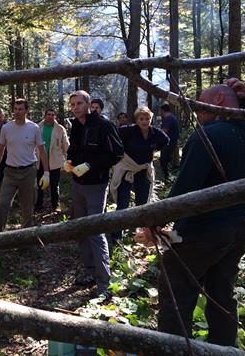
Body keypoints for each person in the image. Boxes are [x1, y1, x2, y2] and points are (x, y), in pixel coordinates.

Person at [135, 79, 245, 346]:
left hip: (206, 230)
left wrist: (154, 222)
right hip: (242, 225)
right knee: (222, 292)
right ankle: (225, 348)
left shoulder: (207, 136)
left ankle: (172, 349)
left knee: (176, 289)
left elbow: (185, 188)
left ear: (218, 100)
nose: (196, 111)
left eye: (200, 103)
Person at [65, 91, 123, 297]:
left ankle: (104, 283)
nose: (76, 107)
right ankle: (89, 271)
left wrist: (91, 165)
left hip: (97, 185)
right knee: (81, 228)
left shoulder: (103, 125)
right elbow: (74, 148)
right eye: (72, 104)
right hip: (78, 183)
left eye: (79, 103)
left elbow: (117, 153)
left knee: (96, 230)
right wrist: (70, 160)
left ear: (89, 105)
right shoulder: (76, 126)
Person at [109, 106, 169, 240]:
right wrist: (118, 152)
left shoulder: (155, 133)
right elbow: (112, 134)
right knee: (123, 202)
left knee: (142, 204)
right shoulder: (129, 130)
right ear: (137, 120)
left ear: (151, 119)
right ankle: (116, 235)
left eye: (147, 118)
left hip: (143, 170)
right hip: (126, 169)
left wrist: (154, 149)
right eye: (141, 119)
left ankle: (140, 232)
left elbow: (166, 140)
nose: (145, 121)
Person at [0, 99, 50, 232]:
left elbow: (42, 150)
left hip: (28, 172)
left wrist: (46, 172)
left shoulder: (34, 128)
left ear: (26, 110)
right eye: (16, 109)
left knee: (28, 207)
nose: (17, 112)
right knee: (1, 204)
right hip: (10, 172)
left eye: (21, 109)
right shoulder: (6, 128)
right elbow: (0, 151)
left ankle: (26, 237)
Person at [35, 108, 69, 213]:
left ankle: (55, 205)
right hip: (40, 161)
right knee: (40, 185)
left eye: (52, 114)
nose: (50, 116)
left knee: (54, 186)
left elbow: (65, 145)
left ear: (55, 117)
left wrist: (68, 159)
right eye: (48, 114)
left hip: (55, 162)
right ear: (44, 116)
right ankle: (38, 205)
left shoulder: (60, 129)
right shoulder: (38, 127)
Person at [159, 104, 180, 179]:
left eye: (160, 110)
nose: (159, 112)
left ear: (162, 110)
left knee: (163, 159)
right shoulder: (171, 117)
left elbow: (164, 131)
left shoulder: (169, 118)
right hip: (171, 141)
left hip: (169, 142)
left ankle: (167, 176)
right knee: (166, 159)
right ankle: (168, 175)